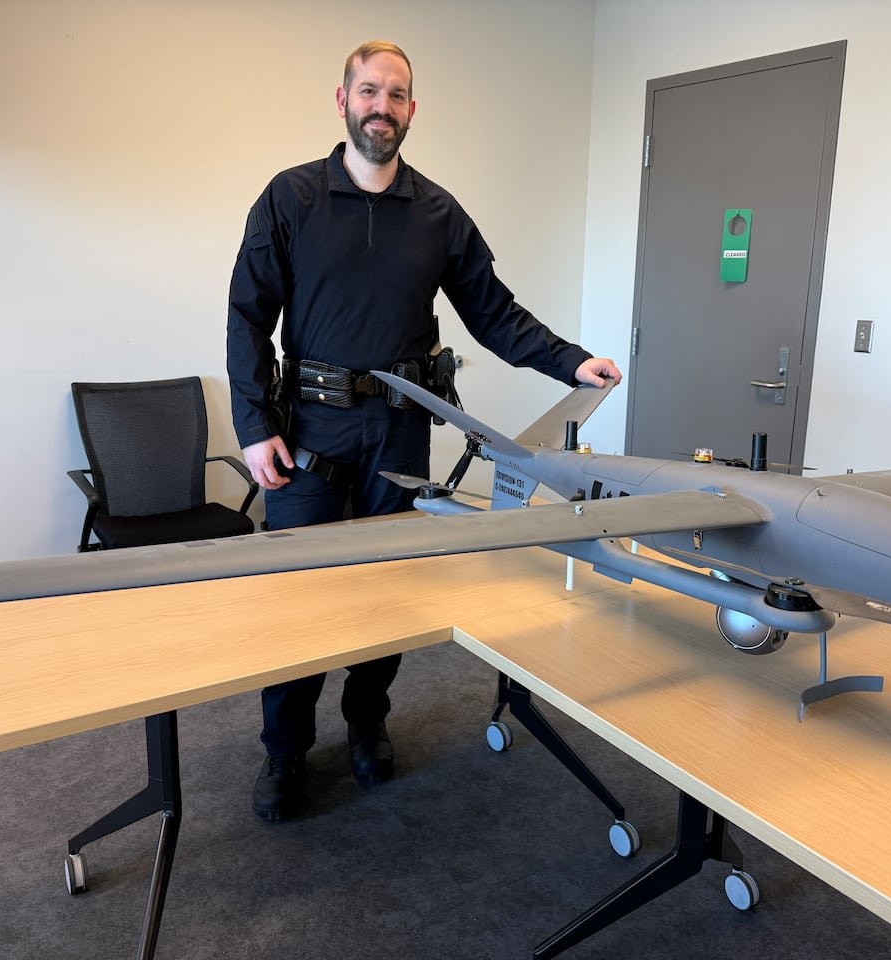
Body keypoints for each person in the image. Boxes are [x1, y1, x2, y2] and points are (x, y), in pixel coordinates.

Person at [226, 39, 622, 821]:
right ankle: (285, 750)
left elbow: (494, 313)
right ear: (342, 101)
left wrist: (572, 361)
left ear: (412, 110)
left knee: (388, 595)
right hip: (308, 431)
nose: (382, 107)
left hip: (401, 432)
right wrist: (251, 422)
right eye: (369, 91)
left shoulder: (438, 213)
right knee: (300, 600)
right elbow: (248, 315)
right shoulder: (290, 198)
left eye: (396, 95)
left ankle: (367, 724)